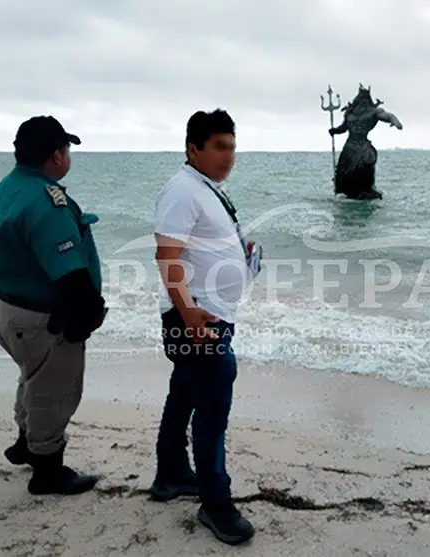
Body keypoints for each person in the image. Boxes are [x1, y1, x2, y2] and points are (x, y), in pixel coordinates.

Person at [150, 109, 261, 545]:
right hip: (195, 317)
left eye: (232, 146)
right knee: (213, 404)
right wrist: (192, 316)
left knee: (185, 391)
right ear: (193, 149)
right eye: (219, 146)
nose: (228, 156)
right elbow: (167, 256)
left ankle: (171, 473)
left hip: (204, 313)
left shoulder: (205, 188)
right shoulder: (182, 190)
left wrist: (240, 249)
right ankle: (216, 504)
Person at [0, 115, 108, 496]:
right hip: (43, 317)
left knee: (33, 377)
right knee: (55, 391)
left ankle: (26, 443)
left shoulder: (7, 189)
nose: (68, 155)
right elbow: (70, 273)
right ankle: (47, 471)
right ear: (56, 155)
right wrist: (88, 313)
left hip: (10, 310)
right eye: (66, 148)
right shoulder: (47, 203)